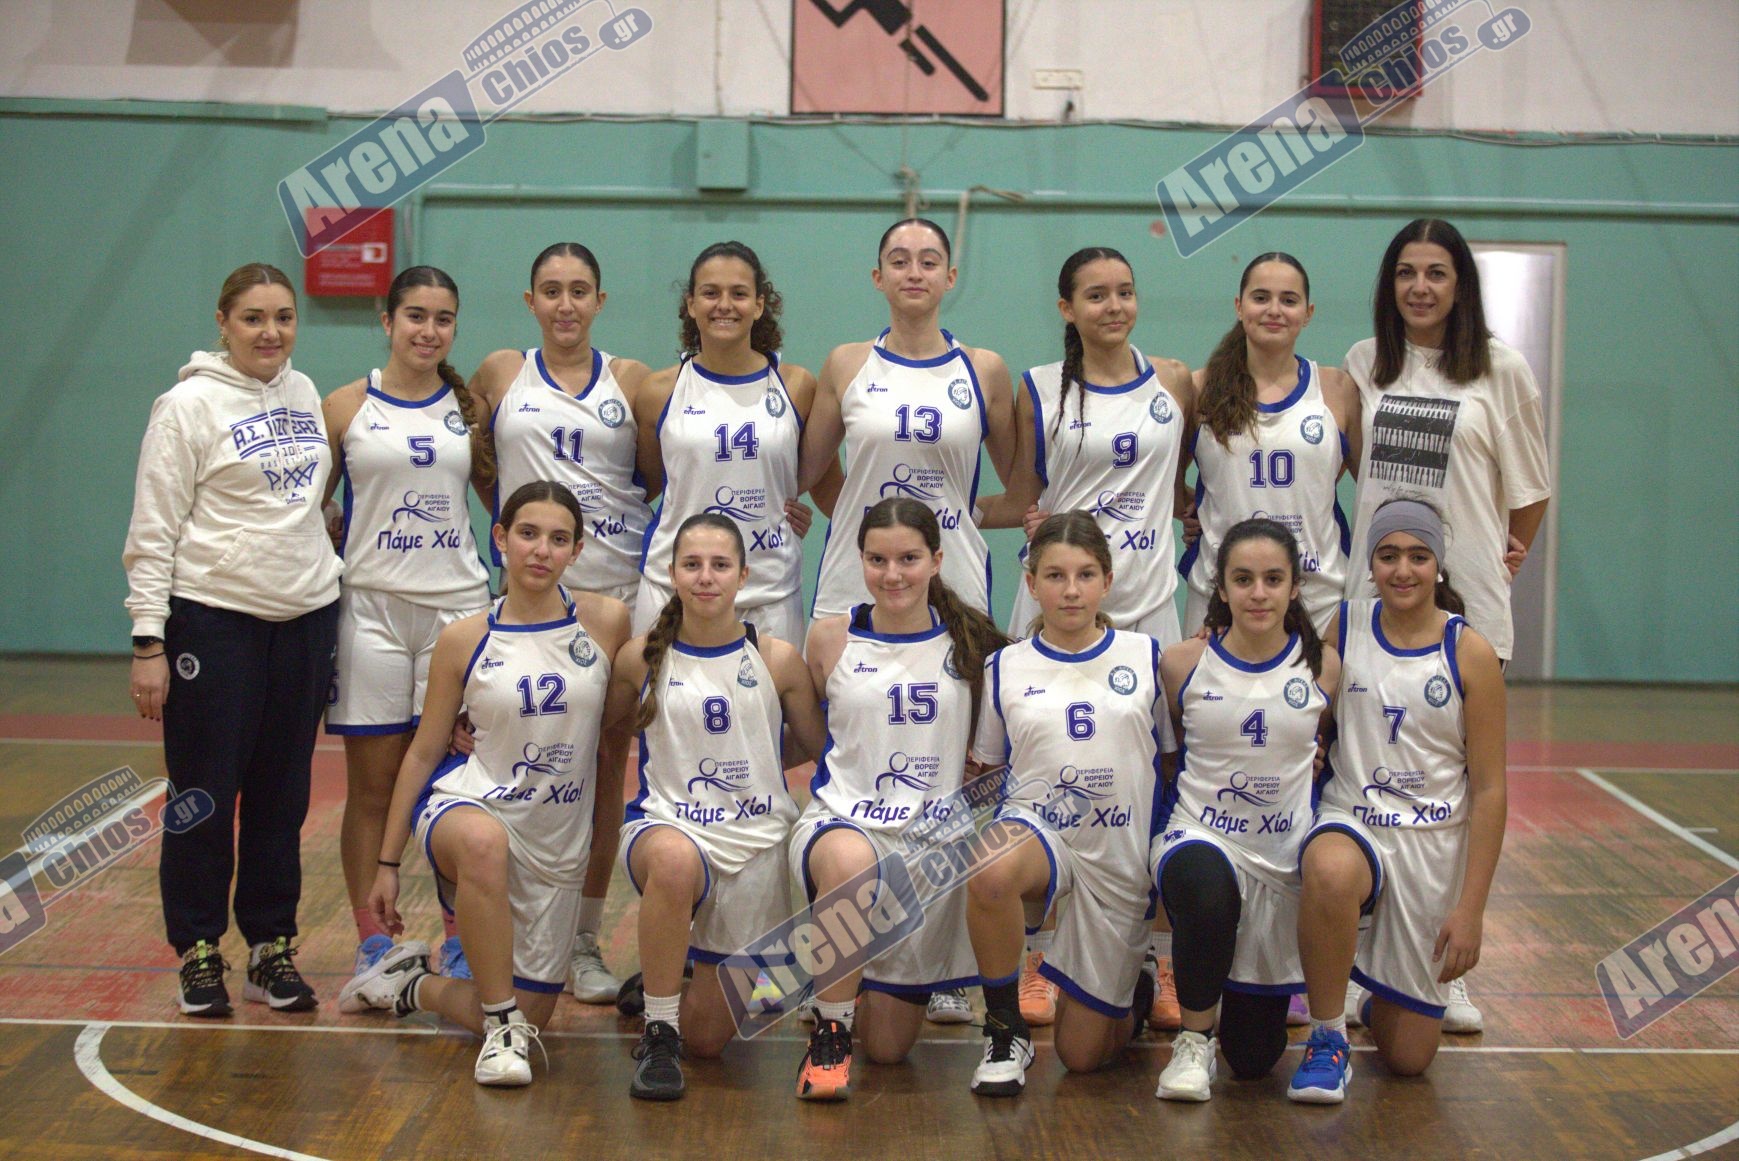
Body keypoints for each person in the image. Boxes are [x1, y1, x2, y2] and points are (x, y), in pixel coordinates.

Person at [349, 482, 632, 1087]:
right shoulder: (464, 637)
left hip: (554, 838)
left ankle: (411, 985)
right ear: (501, 538)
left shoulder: (607, 621)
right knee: (483, 845)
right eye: (527, 534)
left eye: (559, 539)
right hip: (471, 805)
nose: (541, 550)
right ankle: (501, 1028)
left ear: (577, 550)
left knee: (536, 1016)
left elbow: (616, 732)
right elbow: (424, 751)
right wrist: (387, 864)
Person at [976, 246, 1192, 1032]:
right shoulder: (1039, 388)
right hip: (1057, 608)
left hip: (1147, 608)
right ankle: (1039, 954)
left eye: (1124, 292)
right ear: (1066, 308)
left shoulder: (1174, 381)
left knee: (1158, 785)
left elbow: (1183, 489)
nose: (1113, 306)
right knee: (1038, 779)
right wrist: (942, 518)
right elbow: (1020, 496)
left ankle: (1157, 959)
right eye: (1095, 295)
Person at [1342, 219, 1548, 1031]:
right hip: (1373, 604)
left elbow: (1529, 488)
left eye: (1435, 272)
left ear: (1460, 284)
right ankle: (1363, 958)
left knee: (1453, 788)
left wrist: (1502, 556)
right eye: (1405, 272)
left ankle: (1445, 958)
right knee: (1366, 777)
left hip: (1465, 611)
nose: (1419, 287)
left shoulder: (1500, 368)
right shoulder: (1364, 362)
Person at [124, 262, 342, 1016]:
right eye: (253, 317)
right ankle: (198, 949)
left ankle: (270, 947)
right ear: (223, 322)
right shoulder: (185, 406)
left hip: (305, 620)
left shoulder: (304, 391)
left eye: (283, 317)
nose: (270, 332)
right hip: (214, 622)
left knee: (283, 797)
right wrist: (148, 640)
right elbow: (154, 527)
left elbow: (304, 504)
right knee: (204, 797)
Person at [788, 497, 1009, 1100]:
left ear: (936, 560)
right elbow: (807, 737)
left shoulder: (975, 645)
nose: (893, 575)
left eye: (908, 559)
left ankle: (841, 976)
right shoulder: (829, 637)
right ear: (859, 560)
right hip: (841, 821)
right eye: (877, 559)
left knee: (888, 1049)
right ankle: (831, 1031)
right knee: (850, 863)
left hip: (927, 850)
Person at [470, 242, 643, 1002]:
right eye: (550, 290)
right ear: (530, 300)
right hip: (529, 597)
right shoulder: (499, 373)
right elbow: (473, 460)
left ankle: (583, 938)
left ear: (600, 300)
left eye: (579, 291)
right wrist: (518, 537)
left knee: (602, 767)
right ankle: (497, 928)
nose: (565, 304)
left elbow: (664, 475)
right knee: (513, 762)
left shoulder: (631, 381)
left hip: (612, 593)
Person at [1288, 499, 1506, 1103]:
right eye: (1388, 556)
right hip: (1352, 821)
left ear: (1438, 565)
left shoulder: (1471, 653)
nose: (1402, 570)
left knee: (1409, 1059)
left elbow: (1490, 789)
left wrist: (1472, 910)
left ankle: (1374, 991)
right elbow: (1302, 711)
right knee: (1329, 868)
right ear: (1371, 564)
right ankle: (1327, 1036)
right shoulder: (1345, 626)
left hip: (1429, 847)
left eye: (1417, 556)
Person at [609, 513, 826, 1100]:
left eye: (720, 565)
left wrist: (751, 760)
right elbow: (598, 727)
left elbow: (817, 746)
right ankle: (659, 1031)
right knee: (675, 863)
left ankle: (661, 979)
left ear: (743, 576)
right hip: (667, 826)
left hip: (756, 841)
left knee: (707, 1040)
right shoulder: (639, 658)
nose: (706, 577)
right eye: (692, 564)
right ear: (672, 573)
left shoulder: (777, 659)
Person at [321, 266, 493, 997]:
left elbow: (505, 500)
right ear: (386, 319)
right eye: (415, 315)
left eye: (443, 318)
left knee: (456, 783)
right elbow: (305, 509)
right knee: (373, 787)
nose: (429, 330)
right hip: (372, 611)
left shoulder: (470, 408)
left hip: (457, 611)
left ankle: (460, 939)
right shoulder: (345, 406)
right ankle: (373, 942)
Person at [963, 511, 1166, 1098]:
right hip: (1039, 831)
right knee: (990, 866)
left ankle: (1136, 993)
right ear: (1031, 583)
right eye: (1055, 575)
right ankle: (1005, 1030)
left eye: (1084, 575)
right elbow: (989, 768)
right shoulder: (1005, 665)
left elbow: (1177, 761)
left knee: (1082, 1057)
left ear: (1107, 581)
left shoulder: (1148, 656)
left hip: (1117, 853)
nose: (1070, 590)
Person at [1150, 518, 1339, 1102]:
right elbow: (1167, 757)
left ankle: (1200, 1006)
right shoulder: (1181, 663)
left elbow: (1330, 752)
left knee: (1254, 1061)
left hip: (1280, 860)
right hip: (1198, 834)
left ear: (1295, 587)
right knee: (1206, 891)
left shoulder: (1324, 668)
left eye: (1273, 579)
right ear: (1222, 587)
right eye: (1243, 579)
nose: (1258, 593)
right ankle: (1193, 1043)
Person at [801, 217, 1016, 622]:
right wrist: (860, 515)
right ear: (878, 277)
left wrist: (961, 511)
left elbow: (1021, 494)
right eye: (899, 262)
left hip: (953, 577)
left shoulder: (985, 369)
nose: (914, 273)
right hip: (855, 578)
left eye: (929, 263)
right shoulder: (846, 363)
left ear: (950, 277)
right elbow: (807, 471)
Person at [634, 241, 822, 647]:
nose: (724, 305)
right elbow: (649, 483)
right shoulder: (657, 391)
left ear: (759, 305)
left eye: (738, 293)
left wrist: (784, 500)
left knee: (774, 691)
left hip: (768, 587)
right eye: (710, 292)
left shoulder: (797, 385)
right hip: (674, 587)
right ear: (691, 304)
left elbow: (818, 475)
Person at [1179, 252, 1359, 637]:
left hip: (1317, 594)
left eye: (1288, 300)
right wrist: (1195, 508)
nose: (1274, 310)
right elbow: (1160, 477)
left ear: (1308, 313)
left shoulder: (1336, 388)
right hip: (1220, 597)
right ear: (1239, 306)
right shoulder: (1200, 389)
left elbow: (1364, 482)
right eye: (1261, 297)